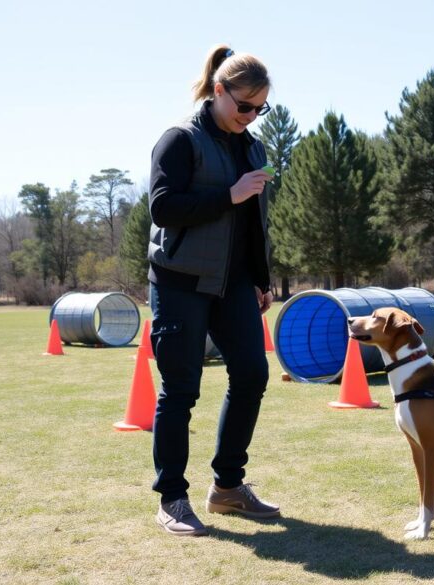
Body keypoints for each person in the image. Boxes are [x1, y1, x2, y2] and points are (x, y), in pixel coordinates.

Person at [148, 45, 278, 537]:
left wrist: (262, 278)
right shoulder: (179, 139)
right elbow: (163, 208)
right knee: (181, 389)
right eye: (243, 105)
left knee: (252, 375)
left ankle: (227, 487)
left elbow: (254, 222)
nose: (250, 116)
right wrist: (228, 194)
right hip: (180, 282)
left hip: (235, 284)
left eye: (259, 108)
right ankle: (172, 499)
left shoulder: (253, 147)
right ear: (219, 91)